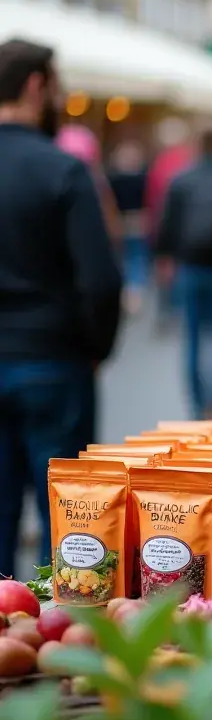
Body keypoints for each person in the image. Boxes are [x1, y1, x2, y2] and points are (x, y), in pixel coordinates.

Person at [0, 39, 122, 576]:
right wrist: (95, 347)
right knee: (68, 519)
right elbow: (99, 279)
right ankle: (62, 635)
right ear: (35, 85)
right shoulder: (63, 170)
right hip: (53, 360)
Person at [156, 129, 212, 420]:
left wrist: (165, 258)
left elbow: (167, 223)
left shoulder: (181, 179)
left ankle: (197, 403)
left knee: (192, 335)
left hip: (189, 265)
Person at [146, 117, 193, 331]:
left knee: (166, 274)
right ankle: (179, 312)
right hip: (187, 231)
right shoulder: (189, 160)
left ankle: (169, 312)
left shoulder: (161, 164)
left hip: (166, 228)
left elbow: (152, 200)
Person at [107, 139, 150, 314]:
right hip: (137, 221)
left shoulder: (113, 178)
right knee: (135, 260)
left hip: (122, 222)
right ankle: (133, 296)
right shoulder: (143, 178)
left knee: (126, 259)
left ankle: (127, 295)